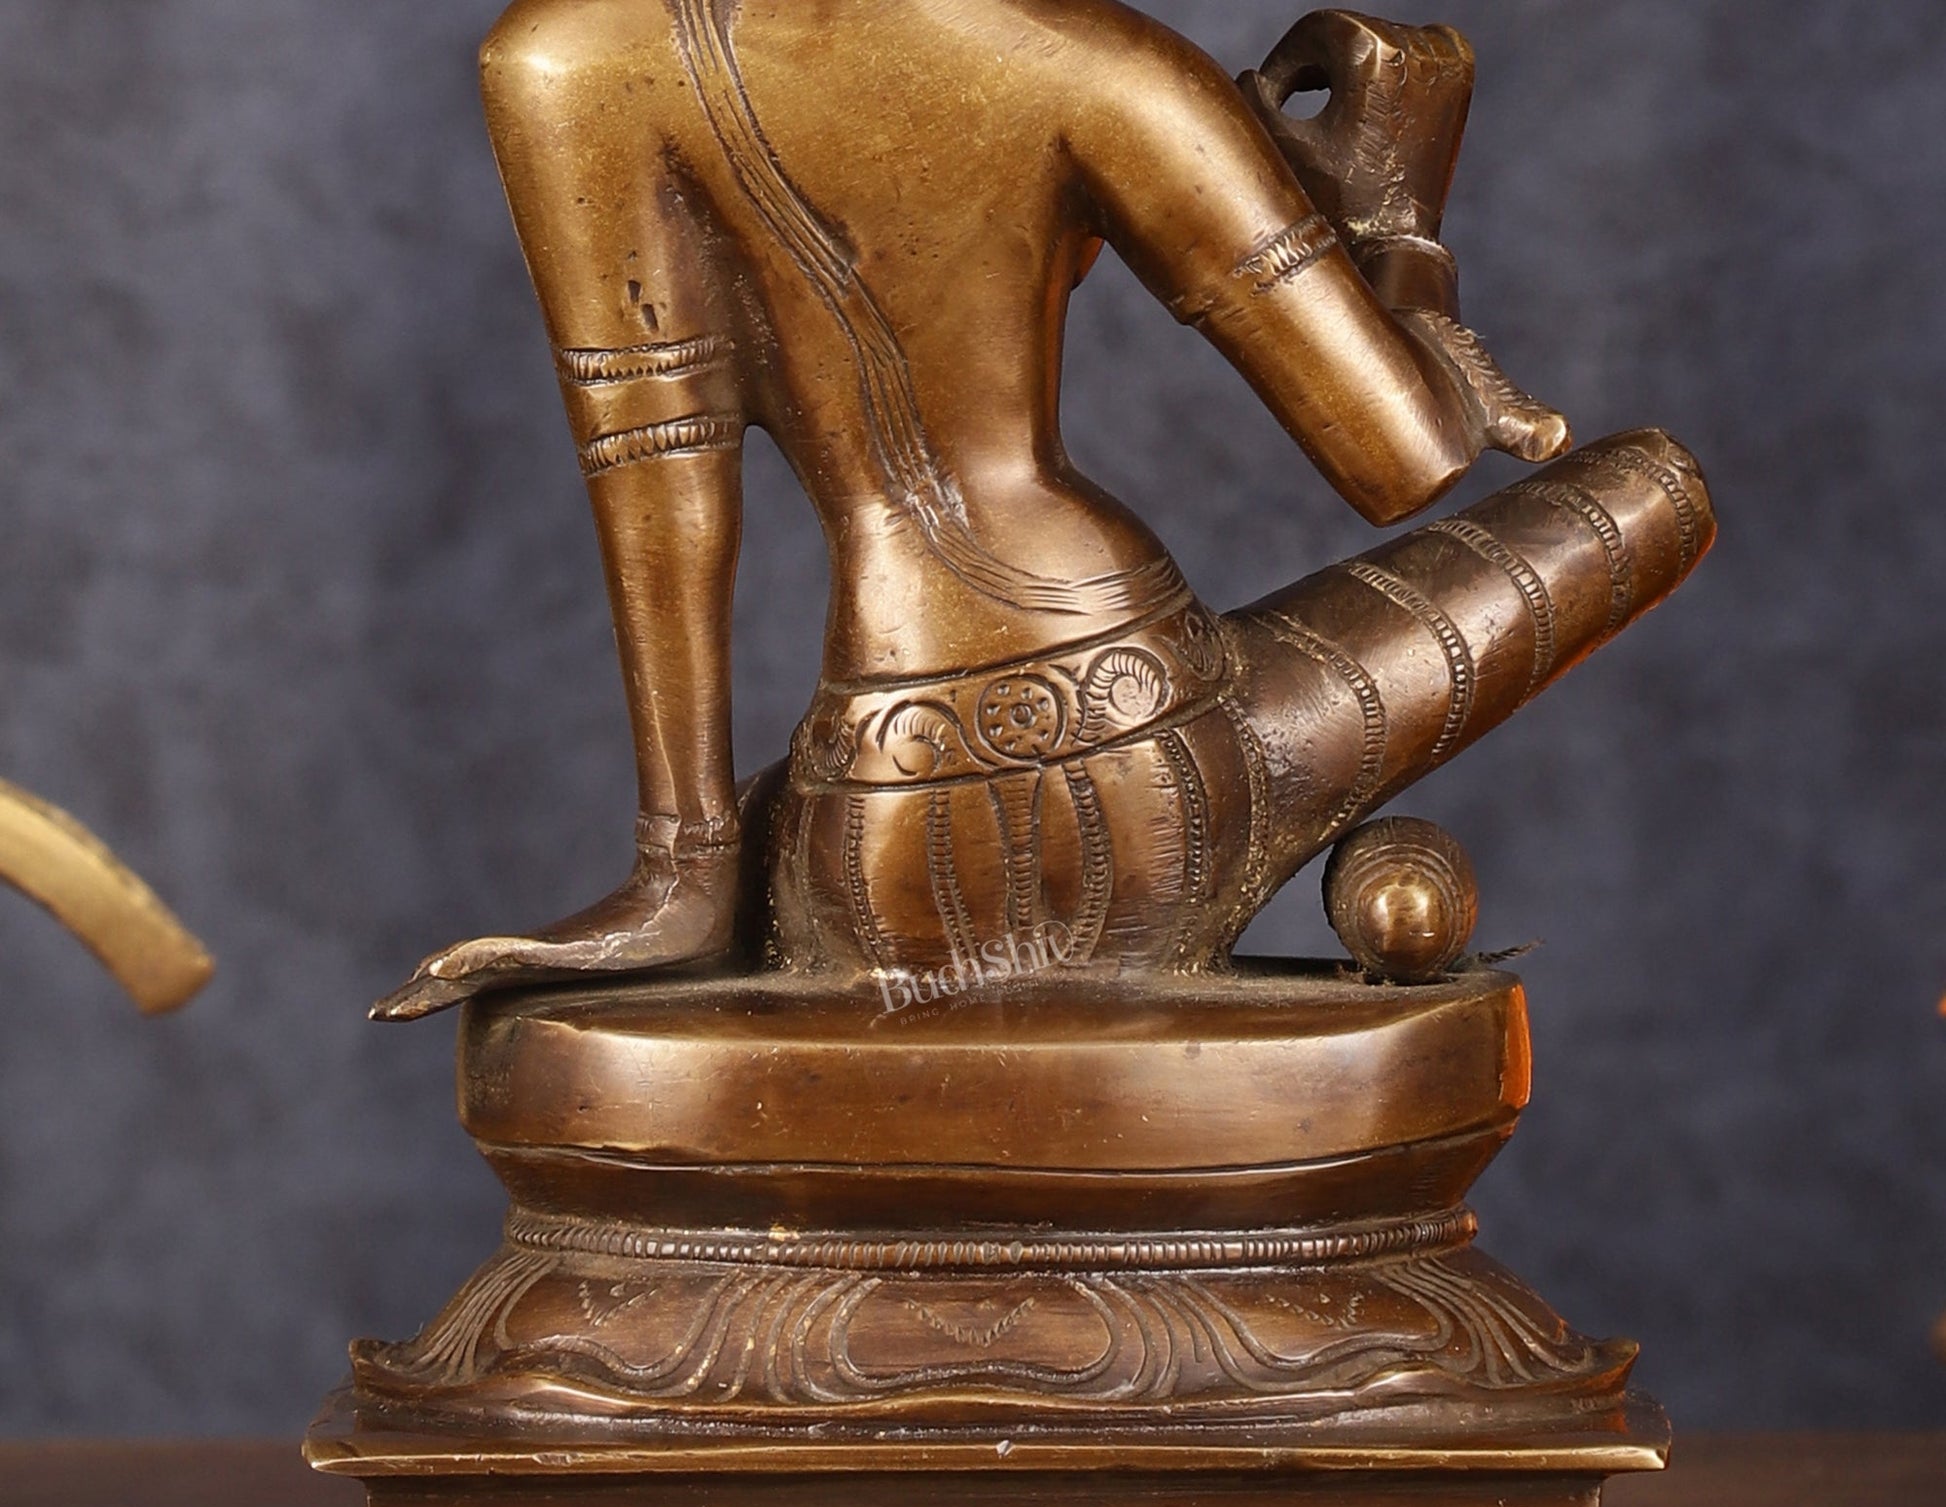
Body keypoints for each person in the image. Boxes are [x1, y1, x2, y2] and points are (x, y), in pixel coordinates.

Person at [375, 1, 1711, 1019]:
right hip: (1162, 759)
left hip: (866, 814)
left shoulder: (568, 55)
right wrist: (1394, 222)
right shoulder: (1099, 65)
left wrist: (684, 867)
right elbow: (1402, 454)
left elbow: (658, 485)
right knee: (1649, 487)